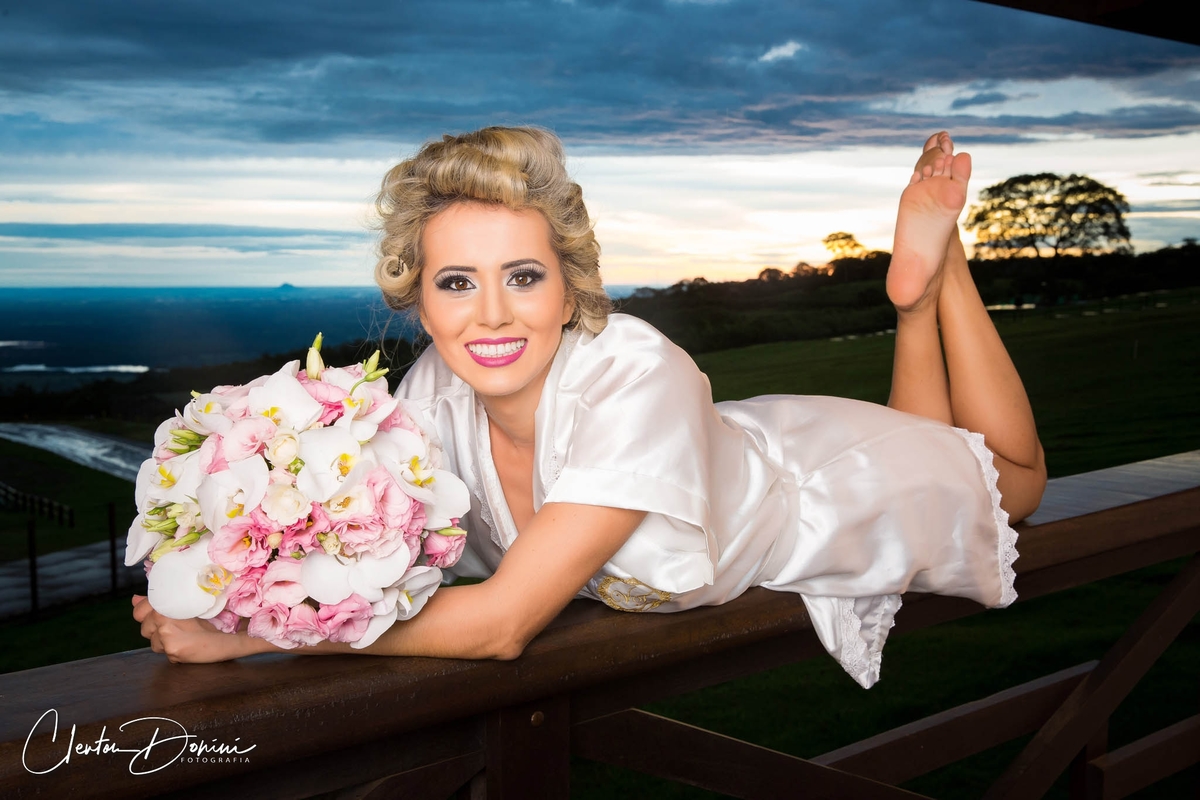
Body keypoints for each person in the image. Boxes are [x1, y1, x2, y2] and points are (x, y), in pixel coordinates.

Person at [133, 127, 1046, 688]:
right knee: (930, 432)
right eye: (458, 282)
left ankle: (941, 271)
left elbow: (498, 628)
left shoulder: (636, 372)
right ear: (421, 302)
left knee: (1014, 481)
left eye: (523, 277)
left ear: (570, 292)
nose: (491, 314)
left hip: (823, 489)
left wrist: (256, 636)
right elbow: (379, 574)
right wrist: (248, 565)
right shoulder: (425, 402)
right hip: (741, 445)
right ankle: (915, 301)